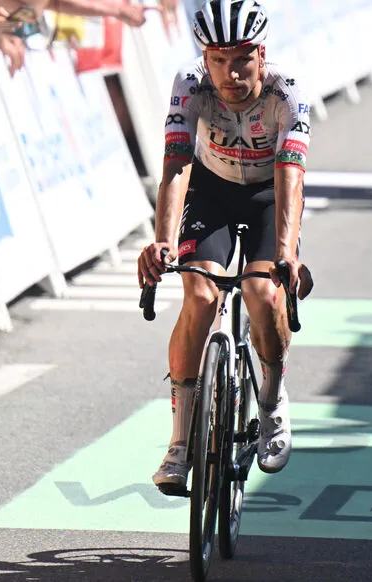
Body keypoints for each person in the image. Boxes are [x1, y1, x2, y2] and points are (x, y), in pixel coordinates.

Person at [137, 0, 313, 496]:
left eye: (240, 59)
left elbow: (291, 176)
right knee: (199, 296)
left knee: (263, 294)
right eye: (217, 59)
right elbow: (176, 163)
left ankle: (273, 400)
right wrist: (163, 244)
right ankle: (178, 443)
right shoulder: (189, 83)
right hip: (210, 189)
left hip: (267, 192)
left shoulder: (286, 89)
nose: (229, 73)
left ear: (261, 52)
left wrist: (286, 253)